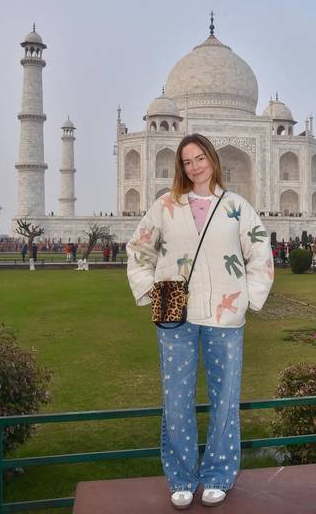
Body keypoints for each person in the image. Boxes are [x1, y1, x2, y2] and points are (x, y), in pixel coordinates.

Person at [126, 134, 273, 510]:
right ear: (180, 166)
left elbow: (260, 253)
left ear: (213, 158)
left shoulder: (236, 206)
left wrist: (246, 299)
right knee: (176, 398)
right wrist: (149, 290)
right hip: (176, 315)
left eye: (200, 158)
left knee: (225, 399)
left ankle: (219, 474)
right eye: (187, 161)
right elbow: (138, 248)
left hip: (225, 316)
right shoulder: (166, 206)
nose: (194, 166)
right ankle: (181, 476)